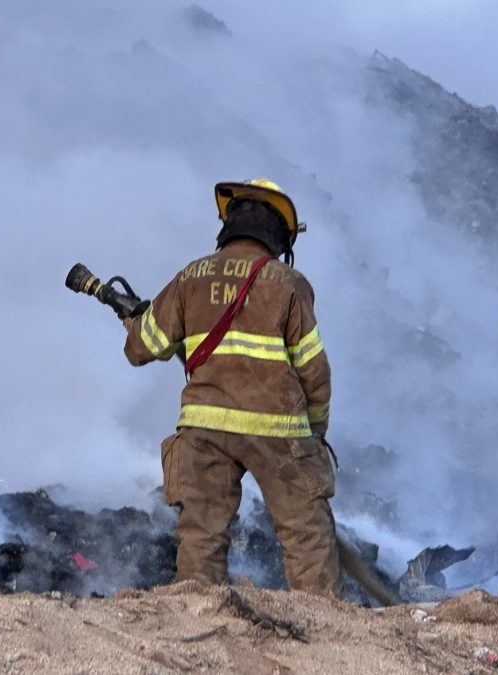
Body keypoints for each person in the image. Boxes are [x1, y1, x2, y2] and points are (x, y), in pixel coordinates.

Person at [122, 178, 342, 597]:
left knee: (201, 533)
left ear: (229, 225)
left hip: (204, 426)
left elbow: (142, 348)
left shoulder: (191, 275)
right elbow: (314, 371)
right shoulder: (289, 282)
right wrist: (315, 432)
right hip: (278, 430)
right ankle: (325, 627)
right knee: (305, 533)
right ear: (279, 234)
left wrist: (137, 320)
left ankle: (197, 614)